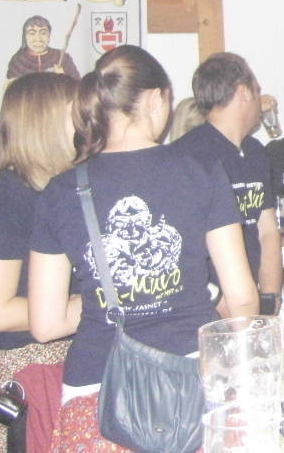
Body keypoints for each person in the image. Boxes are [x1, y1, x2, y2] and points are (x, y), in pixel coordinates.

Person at [28, 45, 257, 450]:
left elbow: (45, 324)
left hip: (98, 394)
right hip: (193, 385)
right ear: (154, 99)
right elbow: (240, 298)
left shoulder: (61, 191)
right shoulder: (202, 173)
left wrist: (110, 296)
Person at [0, 74, 77, 453]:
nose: (85, 121)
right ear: (46, 122)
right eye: (75, 112)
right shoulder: (7, 196)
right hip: (23, 378)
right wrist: (89, 306)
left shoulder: (54, 189)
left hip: (54, 369)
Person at [171, 53, 282, 314]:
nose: (259, 100)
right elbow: (178, 248)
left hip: (251, 305)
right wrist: (220, 301)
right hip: (205, 308)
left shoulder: (255, 152)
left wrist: (269, 298)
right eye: (257, 91)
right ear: (244, 93)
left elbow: (267, 230)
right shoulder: (186, 156)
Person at [5, 15, 80, 80]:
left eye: (43, 33)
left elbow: (77, 88)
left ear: (49, 36)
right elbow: (11, 89)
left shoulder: (63, 58)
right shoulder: (17, 61)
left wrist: (63, 77)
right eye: (32, 33)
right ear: (25, 37)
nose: (38, 39)